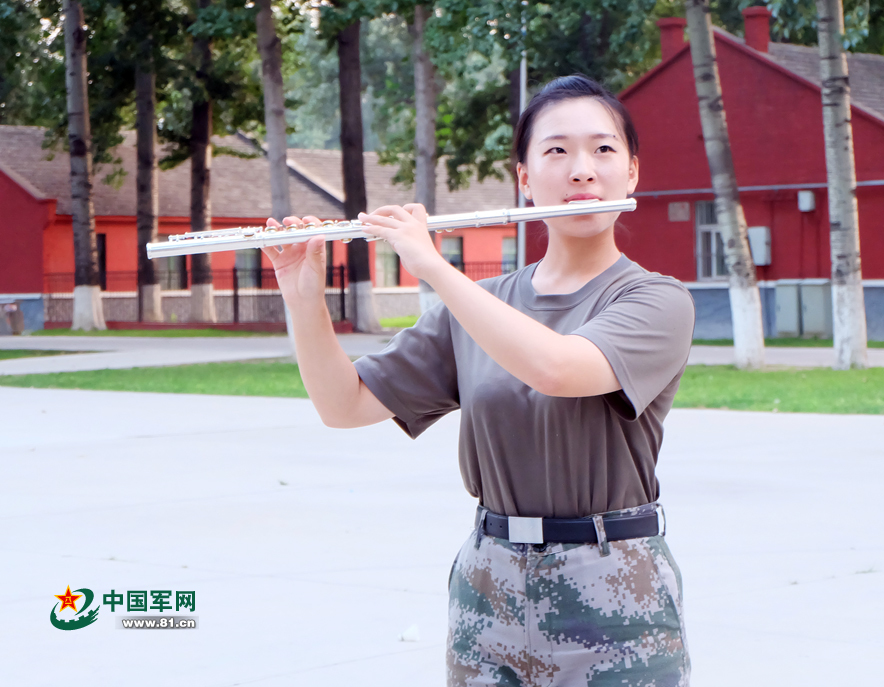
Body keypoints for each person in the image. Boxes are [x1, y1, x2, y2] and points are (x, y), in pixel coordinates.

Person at [264, 74, 694, 687]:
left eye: (603, 150)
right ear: (523, 176)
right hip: (487, 585)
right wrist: (300, 293)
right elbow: (344, 404)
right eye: (555, 150)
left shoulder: (655, 299)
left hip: (615, 589)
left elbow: (558, 368)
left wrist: (433, 267)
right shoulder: (478, 302)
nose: (581, 170)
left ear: (631, 173)